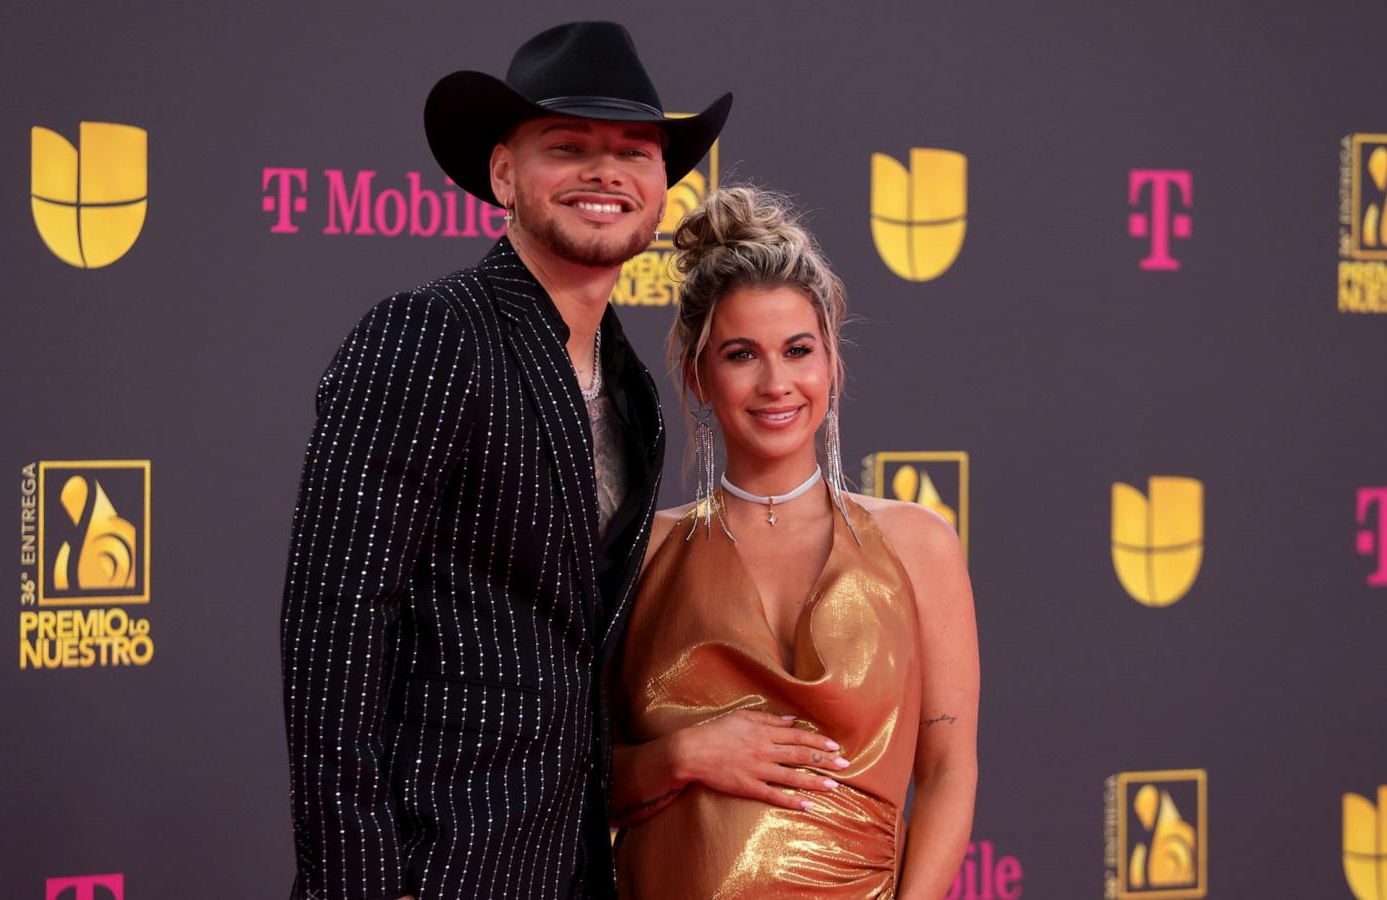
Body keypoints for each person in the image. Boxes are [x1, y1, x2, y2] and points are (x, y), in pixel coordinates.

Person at [278, 22, 731, 900]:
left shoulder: (635, 386)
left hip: (568, 865)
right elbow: (334, 630)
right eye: (569, 146)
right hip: (431, 870)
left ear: (660, 187)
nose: (606, 172)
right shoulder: (429, 336)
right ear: (502, 174)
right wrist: (361, 885)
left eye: (633, 151)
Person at [608, 187, 979, 898]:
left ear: (832, 364)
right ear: (697, 377)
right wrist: (680, 755)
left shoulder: (918, 543)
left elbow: (946, 772)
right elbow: (572, 780)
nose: (776, 383)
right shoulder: (643, 551)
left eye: (798, 350)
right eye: (742, 354)